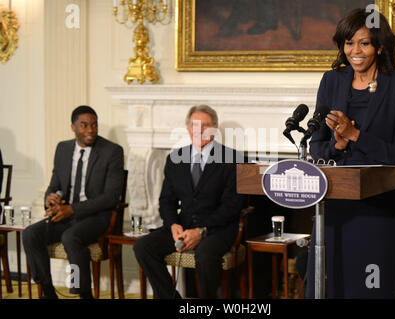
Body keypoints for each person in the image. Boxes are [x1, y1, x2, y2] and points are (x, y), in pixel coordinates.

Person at [306, 8, 395, 298]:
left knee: (371, 288)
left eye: (364, 43)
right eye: (348, 43)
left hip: (379, 209)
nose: (354, 51)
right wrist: (338, 145)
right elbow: (316, 147)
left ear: (379, 46)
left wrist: (356, 135)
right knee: (331, 286)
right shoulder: (331, 81)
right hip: (334, 207)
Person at [133, 105, 243, 299]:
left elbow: (232, 206)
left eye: (205, 125)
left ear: (215, 129)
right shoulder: (175, 158)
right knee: (143, 247)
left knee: (206, 254)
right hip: (183, 225)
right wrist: (173, 224)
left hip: (218, 229)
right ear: (188, 129)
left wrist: (202, 230)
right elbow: (166, 200)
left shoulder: (233, 158)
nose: (199, 131)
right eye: (195, 125)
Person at [22, 105, 124, 299]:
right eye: (84, 125)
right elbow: (55, 185)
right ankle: (48, 292)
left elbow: (111, 197)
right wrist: (50, 199)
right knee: (30, 234)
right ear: (73, 127)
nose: (90, 130)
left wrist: (72, 209)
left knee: (71, 237)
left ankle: (83, 293)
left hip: (97, 216)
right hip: (66, 214)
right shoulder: (63, 148)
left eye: (94, 125)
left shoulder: (112, 151)